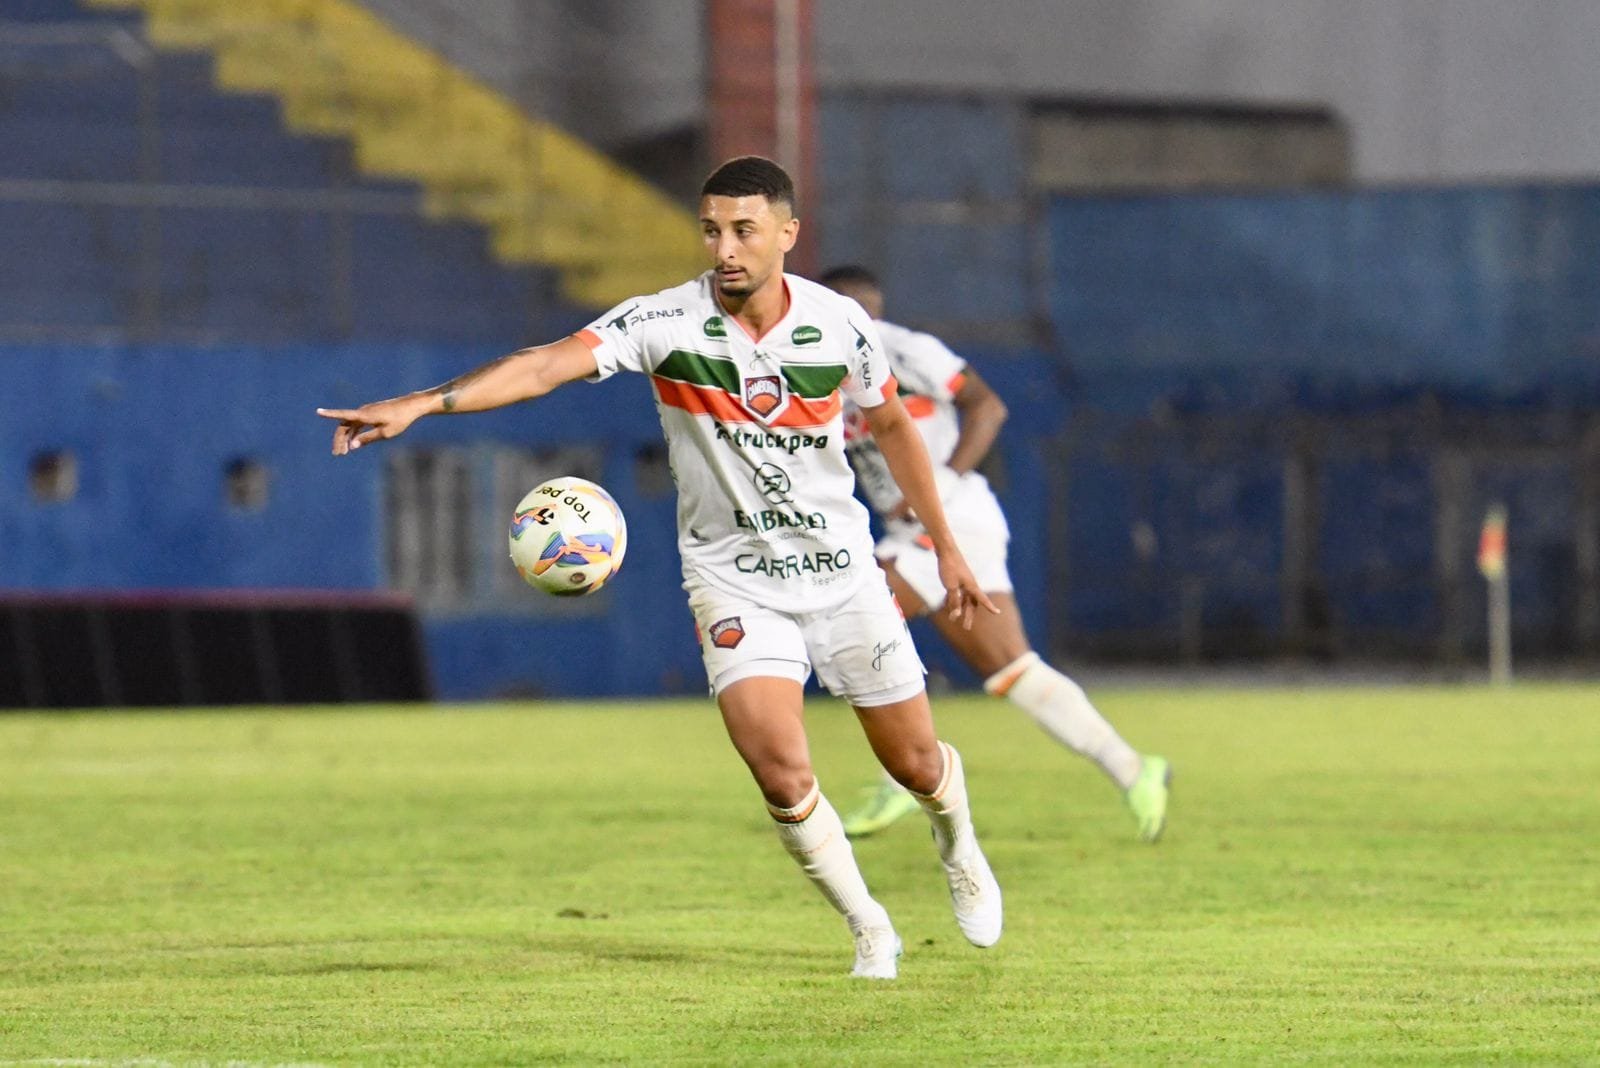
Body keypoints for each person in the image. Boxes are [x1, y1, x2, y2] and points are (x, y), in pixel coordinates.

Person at [317, 158, 1002, 980]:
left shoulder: (840, 325)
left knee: (916, 764)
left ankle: (957, 843)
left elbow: (891, 427)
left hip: (844, 573)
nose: (725, 248)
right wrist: (423, 403)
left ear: (788, 235)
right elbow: (542, 364)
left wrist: (947, 546)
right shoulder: (665, 322)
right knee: (782, 774)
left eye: (744, 230)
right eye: (712, 229)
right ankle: (868, 927)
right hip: (733, 577)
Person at [818, 265, 1172, 843]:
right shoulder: (826, 377)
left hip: (950, 519)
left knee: (850, 620)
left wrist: (944, 484)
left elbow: (988, 407)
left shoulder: (906, 351)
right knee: (1014, 670)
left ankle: (912, 773)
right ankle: (1134, 768)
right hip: (929, 529)